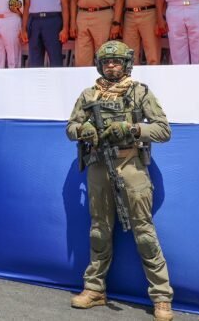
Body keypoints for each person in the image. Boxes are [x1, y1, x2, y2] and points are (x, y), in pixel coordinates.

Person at [66, 41, 174, 321]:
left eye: (116, 61)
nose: (111, 66)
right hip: (98, 166)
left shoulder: (139, 92)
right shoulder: (89, 94)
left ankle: (162, 296)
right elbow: (70, 127)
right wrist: (84, 129)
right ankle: (94, 288)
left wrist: (132, 128)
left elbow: (163, 130)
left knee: (144, 233)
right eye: (106, 62)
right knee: (99, 230)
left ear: (126, 64)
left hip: (130, 165)